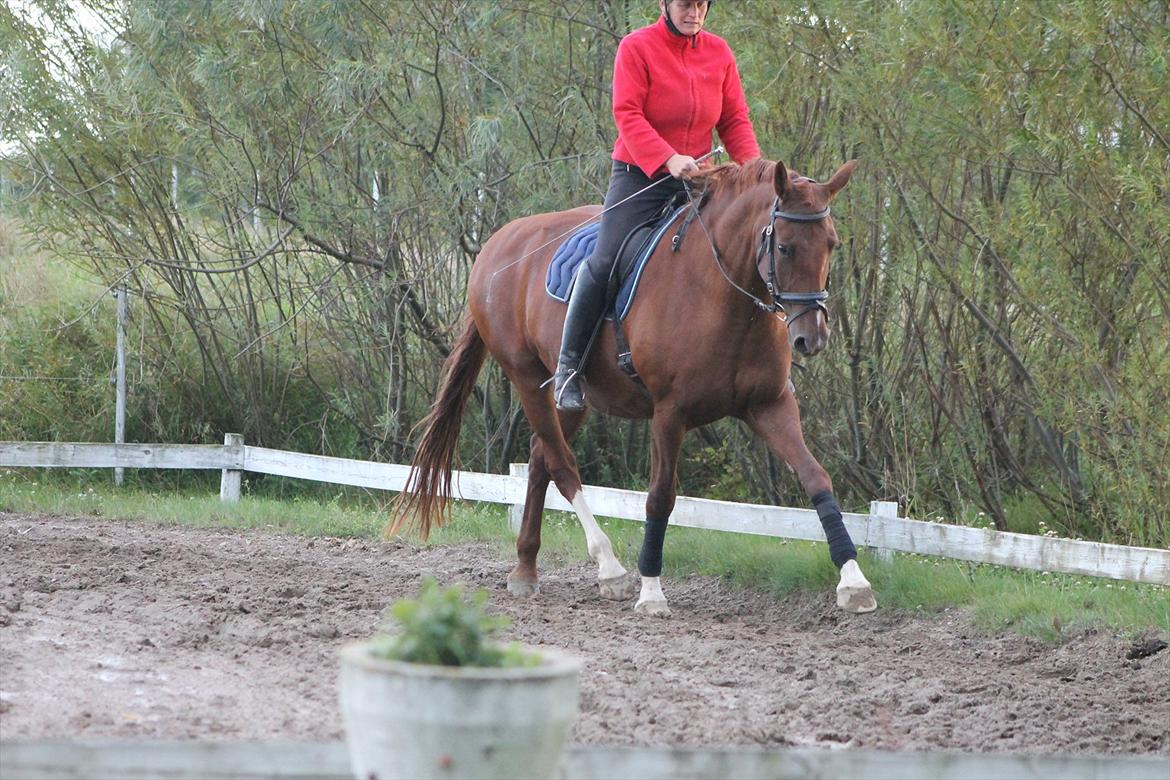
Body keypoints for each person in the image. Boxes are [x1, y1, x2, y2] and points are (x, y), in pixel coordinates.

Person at [553, 0, 762, 410]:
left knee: (744, 249)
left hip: (700, 179)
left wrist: (757, 174)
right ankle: (568, 369)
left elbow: (735, 120)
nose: (695, 13)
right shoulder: (636, 47)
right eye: (686, 4)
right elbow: (627, 114)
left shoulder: (719, 53)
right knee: (606, 260)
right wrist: (668, 158)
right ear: (664, 4)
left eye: (702, 5)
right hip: (640, 177)